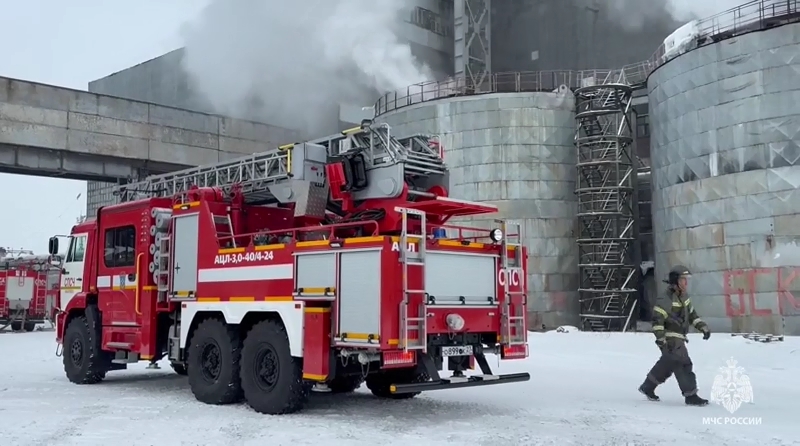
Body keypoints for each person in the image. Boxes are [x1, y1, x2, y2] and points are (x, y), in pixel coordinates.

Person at [638, 265, 710, 406]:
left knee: (668, 363)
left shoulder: (684, 297)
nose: (686, 283)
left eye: (686, 279)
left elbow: (692, 315)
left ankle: (648, 387)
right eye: (683, 279)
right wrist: (661, 339)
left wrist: (703, 327)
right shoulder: (666, 299)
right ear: (675, 281)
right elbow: (657, 320)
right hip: (670, 336)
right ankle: (691, 395)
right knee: (683, 363)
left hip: (679, 336)